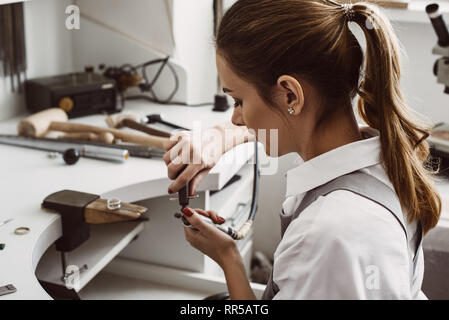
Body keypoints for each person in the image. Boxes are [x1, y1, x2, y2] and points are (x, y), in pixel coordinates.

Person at [163, 0, 441, 299]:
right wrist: (229, 253)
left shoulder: (328, 233)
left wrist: (228, 259)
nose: (236, 118)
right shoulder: (384, 156)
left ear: (290, 95)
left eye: (238, 101)